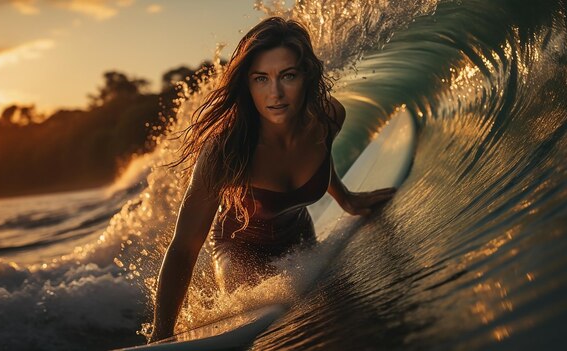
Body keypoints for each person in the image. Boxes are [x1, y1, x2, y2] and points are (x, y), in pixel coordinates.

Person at [149, 17, 396, 343]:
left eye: (288, 76)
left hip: (299, 234)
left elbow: (320, 159)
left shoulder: (328, 117)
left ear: (307, 76)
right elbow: (183, 248)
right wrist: (162, 334)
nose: (275, 93)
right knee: (272, 332)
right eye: (261, 79)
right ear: (247, 84)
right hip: (239, 250)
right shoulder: (224, 150)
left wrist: (346, 198)